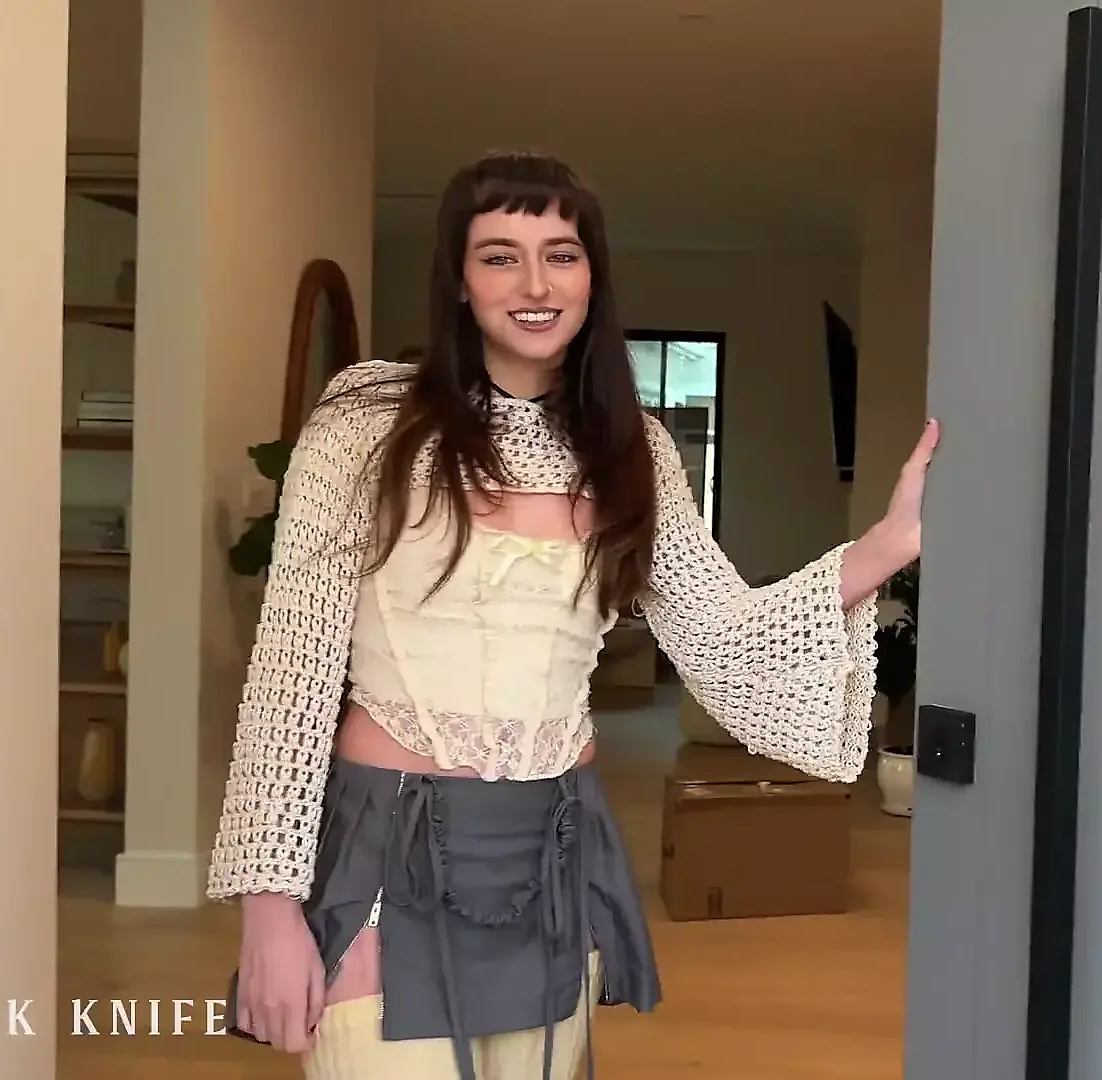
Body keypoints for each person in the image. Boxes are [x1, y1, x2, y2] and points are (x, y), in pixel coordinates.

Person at [207, 151, 938, 1080]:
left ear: (592, 275)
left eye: (561, 254)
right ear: (458, 280)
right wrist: (269, 908)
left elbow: (725, 638)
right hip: (387, 848)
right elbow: (291, 677)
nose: (536, 284)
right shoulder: (365, 423)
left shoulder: (635, 450)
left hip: (553, 846)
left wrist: (885, 547)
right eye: (499, 256)